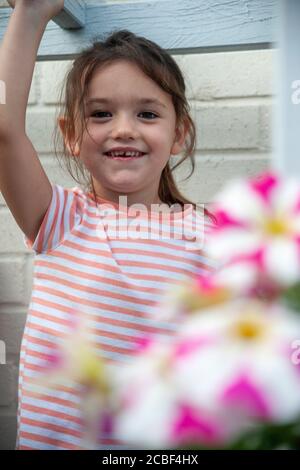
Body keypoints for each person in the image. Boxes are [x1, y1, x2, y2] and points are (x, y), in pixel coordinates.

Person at [0, 0, 215, 450]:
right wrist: (32, 12)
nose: (123, 129)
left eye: (148, 114)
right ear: (71, 134)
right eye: (100, 113)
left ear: (180, 134)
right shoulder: (61, 218)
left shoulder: (211, 235)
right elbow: (3, 126)